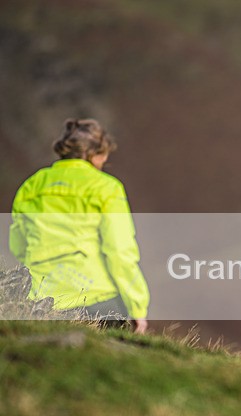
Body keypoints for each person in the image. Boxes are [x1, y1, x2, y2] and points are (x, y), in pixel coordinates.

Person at [9, 118, 150, 332]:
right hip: (98, 299)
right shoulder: (107, 188)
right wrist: (137, 306)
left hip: (42, 300)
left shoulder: (32, 185)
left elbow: (18, 245)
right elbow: (120, 252)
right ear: (99, 154)